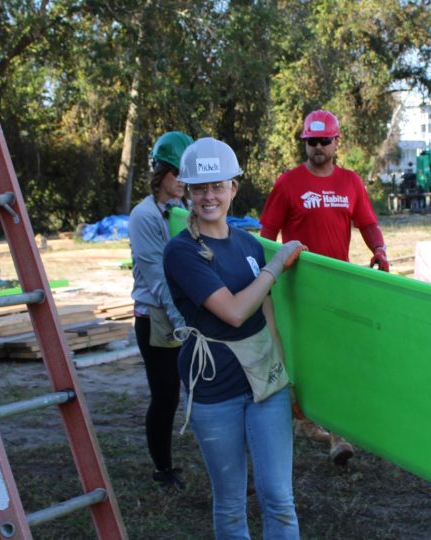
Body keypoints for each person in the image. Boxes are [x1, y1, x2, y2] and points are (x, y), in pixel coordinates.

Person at [163, 137, 304, 538]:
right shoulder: (183, 252)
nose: (209, 196)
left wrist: (283, 378)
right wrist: (276, 264)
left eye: (218, 186)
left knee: (279, 499)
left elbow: (267, 315)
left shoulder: (247, 244)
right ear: (188, 191)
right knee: (230, 503)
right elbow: (235, 311)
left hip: (265, 389)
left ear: (233, 189)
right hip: (213, 392)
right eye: (200, 188)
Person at [259, 109, 389, 465]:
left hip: (338, 288)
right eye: (311, 141)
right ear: (305, 143)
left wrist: (379, 249)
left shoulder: (350, 182)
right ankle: (302, 417)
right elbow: (267, 235)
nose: (318, 148)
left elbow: (368, 223)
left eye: (324, 141)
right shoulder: (287, 183)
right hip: (297, 289)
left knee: (338, 357)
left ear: (336, 142)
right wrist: (264, 277)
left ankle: (337, 434)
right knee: (303, 358)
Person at [129, 131, 192, 490]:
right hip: (155, 317)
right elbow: (157, 278)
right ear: (161, 173)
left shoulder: (179, 213)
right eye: (178, 174)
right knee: (165, 394)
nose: (183, 181)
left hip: (181, 314)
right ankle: (162, 469)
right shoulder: (145, 216)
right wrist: (183, 322)